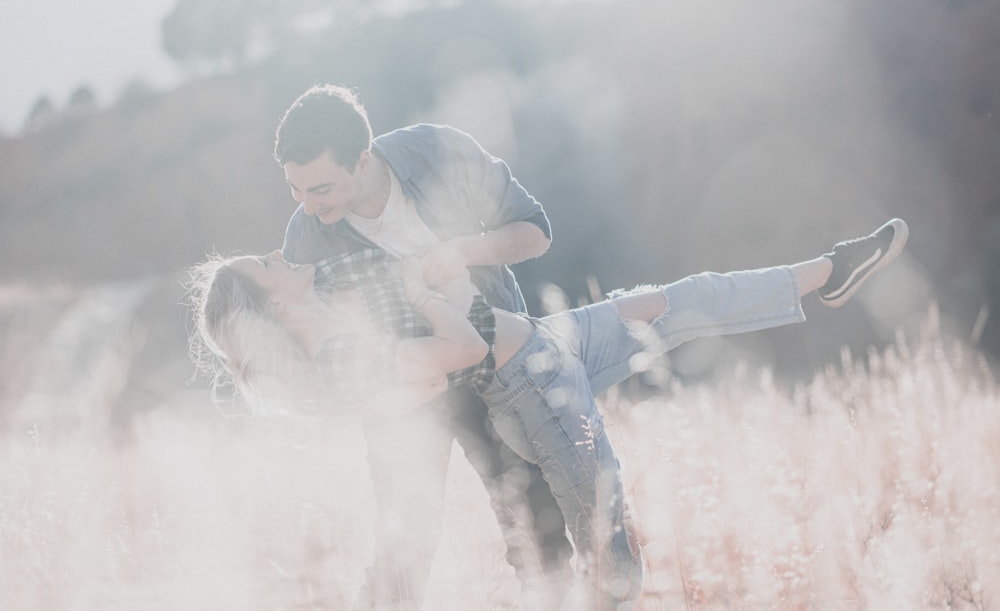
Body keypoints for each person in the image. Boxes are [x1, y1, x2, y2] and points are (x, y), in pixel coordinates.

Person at [188, 218, 909, 610]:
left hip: (549, 344)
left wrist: (434, 277)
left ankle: (827, 272)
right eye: (266, 265)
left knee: (682, 298)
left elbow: (432, 363)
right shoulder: (342, 355)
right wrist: (434, 296)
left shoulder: (336, 299)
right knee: (607, 545)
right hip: (529, 384)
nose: (279, 256)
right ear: (271, 304)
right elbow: (457, 354)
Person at [272, 84, 570, 608]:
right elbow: (316, 347)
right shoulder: (307, 236)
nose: (307, 205)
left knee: (535, 525)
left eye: (319, 189)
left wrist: (462, 252)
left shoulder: (438, 152)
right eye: (295, 190)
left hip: (492, 368)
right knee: (403, 547)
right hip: (401, 397)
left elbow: (536, 232)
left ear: (362, 160)